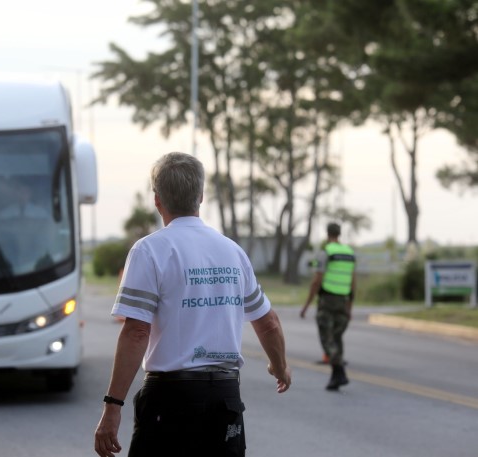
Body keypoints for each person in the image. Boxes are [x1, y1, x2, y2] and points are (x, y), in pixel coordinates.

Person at [94, 152, 291, 457]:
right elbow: (269, 323)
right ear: (201, 196)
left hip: (169, 399)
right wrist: (279, 368)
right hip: (225, 399)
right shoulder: (233, 252)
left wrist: (112, 407)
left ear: (157, 200)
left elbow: (136, 333)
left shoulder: (149, 251)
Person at [300, 222, 356, 391]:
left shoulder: (326, 253)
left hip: (328, 300)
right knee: (337, 338)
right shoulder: (349, 253)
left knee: (327, 338)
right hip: (343, 300)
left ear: (327, 234)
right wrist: (350, 306)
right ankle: (335, 378)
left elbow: (317, 280)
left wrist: (307, 305)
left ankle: (339, 371)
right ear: (339, 234)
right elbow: (353, 281)